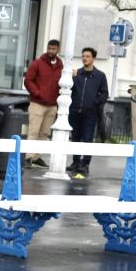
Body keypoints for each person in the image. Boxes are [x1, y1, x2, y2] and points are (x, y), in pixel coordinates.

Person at [68, 46, 108, 178]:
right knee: (75, 137)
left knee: (87, 138)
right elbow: (68, 89)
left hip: (90, 113)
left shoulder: (100, 76)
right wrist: (70, 76)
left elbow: (104, 93)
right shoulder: (76, 73)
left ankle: (85, 164)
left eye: (88, 56)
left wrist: (95, 102)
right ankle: (75, 162)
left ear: (93, 58)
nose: (85, 58)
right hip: (75, 111)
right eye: (83, 56)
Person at [22, 39, 62, 168]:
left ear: (58, 50)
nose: (51, 51)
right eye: (49, 48)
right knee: (33, 131)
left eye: (53, 49)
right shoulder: (37, 63)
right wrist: (38, 93)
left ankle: (37, 157)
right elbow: (28, 80)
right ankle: (28, 157)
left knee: (44, 133)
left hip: (52, 105)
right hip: (37, 103)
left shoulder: (61, 66)